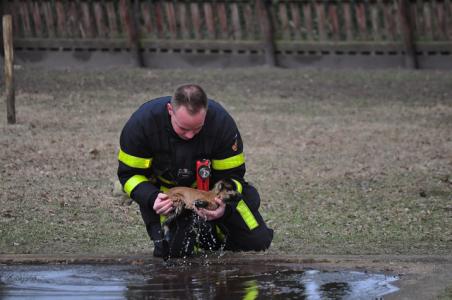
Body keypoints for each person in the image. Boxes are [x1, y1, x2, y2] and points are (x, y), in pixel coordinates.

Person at [117, 84, 273, 259]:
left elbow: (232, 177)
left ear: (205, 112)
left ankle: (214, 232)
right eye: (183, 128)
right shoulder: (142, 124)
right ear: (170, 110)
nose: (190, 136)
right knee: (171, 253)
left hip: (210, 194)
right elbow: (128, 175)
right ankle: (193, 234)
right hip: (167, 197)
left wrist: (222, 208)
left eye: (197, 128)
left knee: (257, 243)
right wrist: (151, 197)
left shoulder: (221, 124)